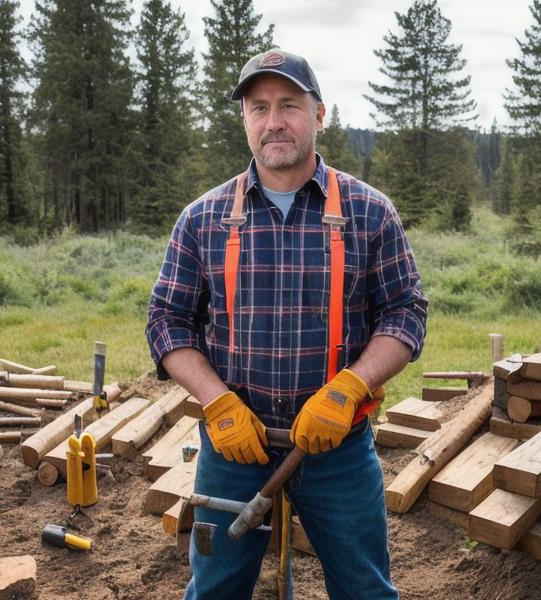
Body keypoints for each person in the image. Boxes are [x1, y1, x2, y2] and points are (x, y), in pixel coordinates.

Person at [146, 48, 427, 599]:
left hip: (337, 450)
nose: (274, 121)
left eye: (289, 105)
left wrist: (350, 387)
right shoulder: (202, 218)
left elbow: (406, 311)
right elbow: (167, 321)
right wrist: (215, 401)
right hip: (233, 449)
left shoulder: (370, 213)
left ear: (320, 115)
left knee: (366, 591)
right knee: (215, 592)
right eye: (259, 107)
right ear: (245, 120)